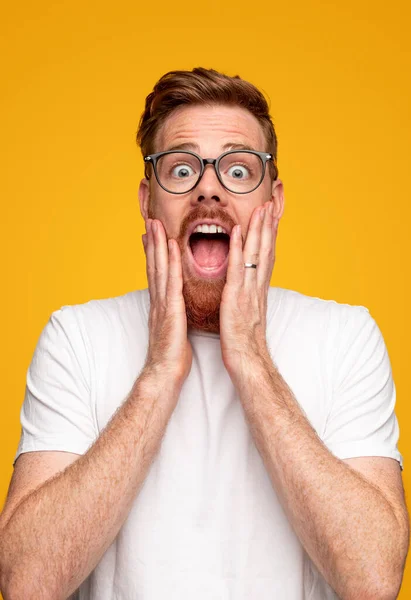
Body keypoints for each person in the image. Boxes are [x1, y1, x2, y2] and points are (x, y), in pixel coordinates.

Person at [0, 68, 408, 600]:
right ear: (148, 200)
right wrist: (158, 374)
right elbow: (25, 584)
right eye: (182, 169)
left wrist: (252, 361)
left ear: (274, 202)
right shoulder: (77, 337)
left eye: (239, 171)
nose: (209, 189)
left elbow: (375, 582)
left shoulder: (346, 337)